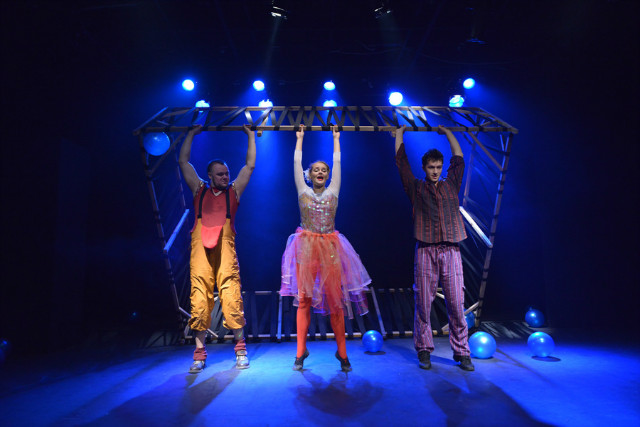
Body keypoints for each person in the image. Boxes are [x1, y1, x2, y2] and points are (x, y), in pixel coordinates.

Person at [280, 125, 371, 372]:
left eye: (324, 170)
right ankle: (300, 352)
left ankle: (342, 353)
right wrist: (299, 139)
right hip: (306, 248)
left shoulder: (333, 191)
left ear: (328, 175)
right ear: (309, 175)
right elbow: (296, 164)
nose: (320, 172)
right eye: (316, 170)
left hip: (331, 248)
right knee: (304, 301)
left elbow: (338, 163)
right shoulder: (303, 191)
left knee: (335, 302)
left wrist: (336, 139)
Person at [393, 125, 474, 371]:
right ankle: (424, 349)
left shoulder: (451, 185)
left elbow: (458, 159)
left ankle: (462, 352)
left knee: (456, 302)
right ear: (424, 168)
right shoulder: (416, 188)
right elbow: (401, 163)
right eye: (431, 167)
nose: (436, 171)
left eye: (438, 167)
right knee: (423, 303)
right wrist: (399, 134)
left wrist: (448, 133)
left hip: (451, 249)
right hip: (426, 250)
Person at [178, 124, 256, 373]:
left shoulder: (234, 191)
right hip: (200, 249)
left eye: (226, 173)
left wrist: (250, 136)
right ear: (210, 175)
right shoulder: (199, 189)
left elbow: (249, 166)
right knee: (199, 298)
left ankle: (240, 350)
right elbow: (183, 162)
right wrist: (191, 134)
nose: (225, 177)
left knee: (231, 295)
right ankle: (199, 355)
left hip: (225, 248)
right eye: (220, 174)